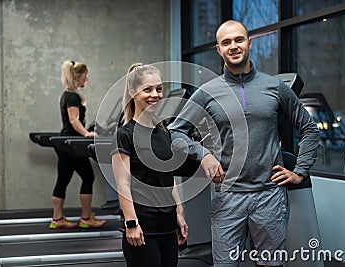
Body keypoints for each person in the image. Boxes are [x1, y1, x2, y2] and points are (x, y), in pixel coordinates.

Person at [168, 20, 320, 267]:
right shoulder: (207, 91)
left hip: (269, 195)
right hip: (228, 197)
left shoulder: (275, 87)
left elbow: (309, 128)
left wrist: (300, 172)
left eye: (238, 40)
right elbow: (175, 133)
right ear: (219, 49)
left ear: (249, 43)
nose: (233, 46)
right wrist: (203, 154)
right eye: (226, 42)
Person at [111, 63, 188, 267]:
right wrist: (131, 224)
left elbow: (169, 179)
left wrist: (179, 214)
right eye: (148, 89)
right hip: (143, 229)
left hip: (168, 227)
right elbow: (123, 185)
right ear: (133, 92)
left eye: (159, 89)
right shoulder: (125, 135)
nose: (155, 94)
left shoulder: (164, 133)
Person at [49, 60, 106, 229]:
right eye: (85, 76)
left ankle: (57, 218)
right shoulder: (73, 96)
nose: (86, 80)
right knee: (88, 177)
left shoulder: (66, 95)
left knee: (63, 179)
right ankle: (86, 218)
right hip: (72, 144)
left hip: (65, 142)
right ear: (78, 76)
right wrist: (86, 133)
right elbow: (74, 120)